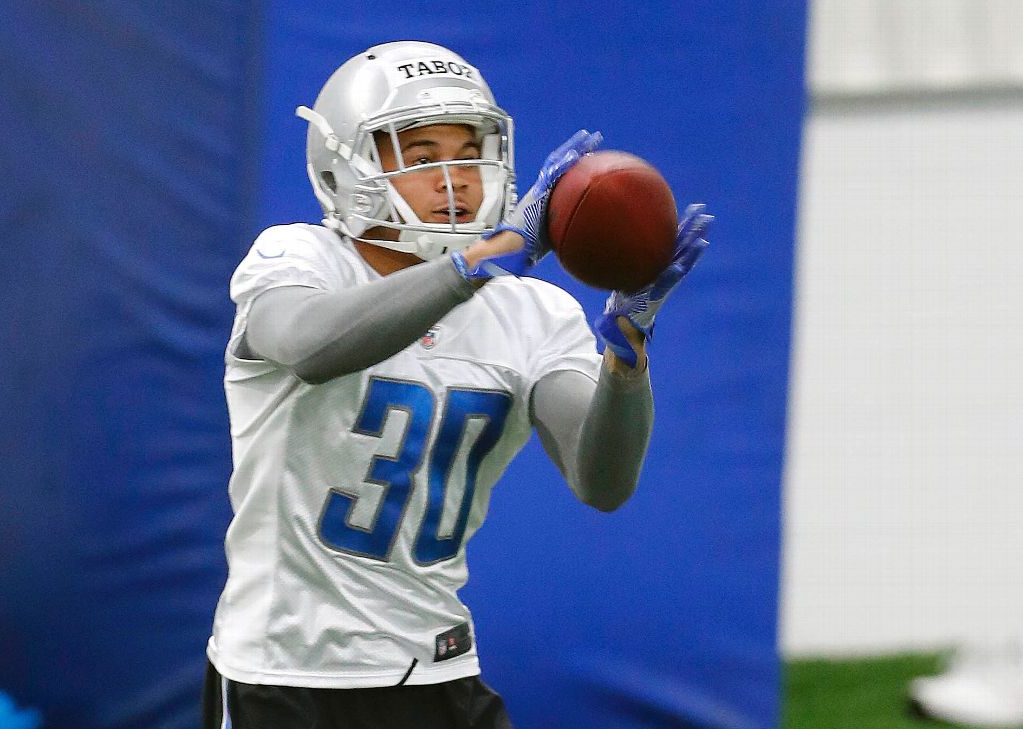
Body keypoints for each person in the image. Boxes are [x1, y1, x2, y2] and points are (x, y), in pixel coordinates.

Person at [203, 40, 712, 729]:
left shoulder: (531, 311)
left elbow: (603, 480)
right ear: (344, 165)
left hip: (438, 668)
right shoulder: (297, 257)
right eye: (421, 156)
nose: (456, 175)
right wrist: (474, 265)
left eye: (470, 150)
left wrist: (627, 359)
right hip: (291, 677)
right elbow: (309, 345)